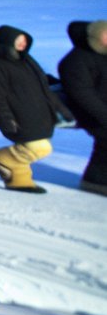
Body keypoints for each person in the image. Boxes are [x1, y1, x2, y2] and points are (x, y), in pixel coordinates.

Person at [0, 25, 73, 193]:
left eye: (24, 40)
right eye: (18, 40)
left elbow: (44, 86)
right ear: (6, 42)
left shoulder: (27, 60)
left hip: (38, 114)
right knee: (39, 147)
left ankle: (19, 181)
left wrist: (61, 110)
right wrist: (4, 119)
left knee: (36, 145)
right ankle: (1, 158)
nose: (22, 43)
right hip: (18, 116)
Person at [59, 20, 107, 195]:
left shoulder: (103, 55)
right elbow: (82, 94)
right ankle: (95, 181)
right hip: (88, 112)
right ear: (95, 36)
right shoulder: (75, 61)